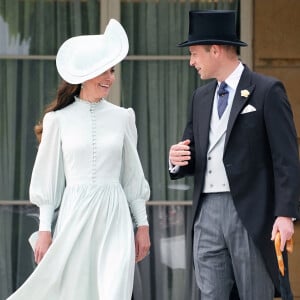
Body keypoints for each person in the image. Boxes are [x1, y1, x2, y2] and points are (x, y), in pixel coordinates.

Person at [7, 19, 150, 300]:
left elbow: (133, 176)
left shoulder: (123, 117)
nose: (110, 77)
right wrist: (45, 230)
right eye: (103, 71)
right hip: (74, 217)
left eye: (112, 70)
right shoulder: (57, 120)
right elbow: (48, 183)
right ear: (84, 74)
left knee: (113, 292)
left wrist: (142, 225)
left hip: (115, 218)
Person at [169, 10, 300, 300]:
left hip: (251, 213)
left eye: (194, 53)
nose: (191, 62)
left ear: (215, 50)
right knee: (210, 294)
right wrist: (176, 158)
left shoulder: (267, 91)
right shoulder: (200, 98)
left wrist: (286, 214)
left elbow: (286, 157)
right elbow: (191, 149)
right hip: (206, 213)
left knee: (255, 293)